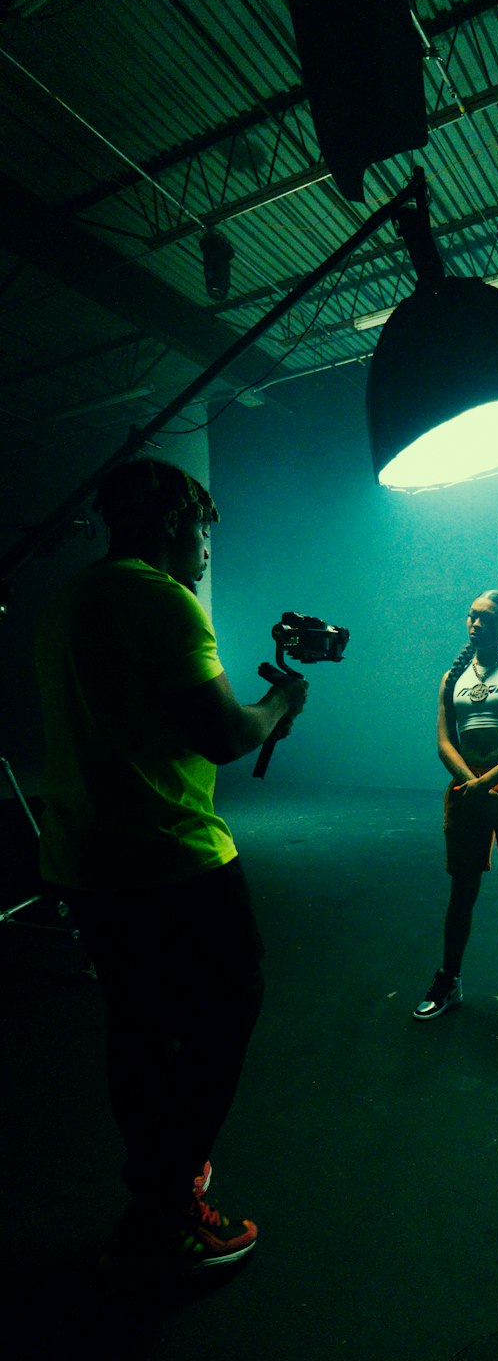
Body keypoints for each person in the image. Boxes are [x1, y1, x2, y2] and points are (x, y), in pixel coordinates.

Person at [34, 457, 308, 1274]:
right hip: (172, 855)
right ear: (170, 525)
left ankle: (155, 1177)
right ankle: (169, 1202)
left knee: (140, 1027)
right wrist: (279, 705)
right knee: (230, 1007)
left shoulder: (69, 601)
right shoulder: (161, 600)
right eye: (200, 534)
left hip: (86, 858)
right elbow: (224, 732)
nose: (204, 552)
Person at [414, 590, 498, 1040]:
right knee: (462, 891)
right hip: (468, 790)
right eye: (471, 616)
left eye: (486, 619)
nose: (475, 624)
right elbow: (443, 742)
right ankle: (448, 980)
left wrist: (489, 781)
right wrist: (471, 786)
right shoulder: (450, 677)